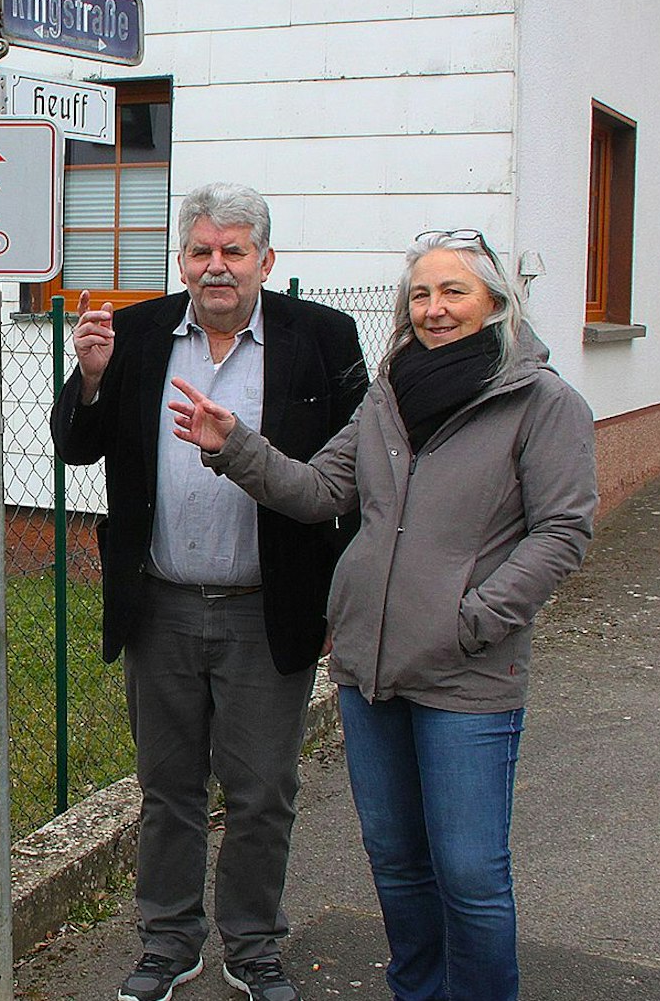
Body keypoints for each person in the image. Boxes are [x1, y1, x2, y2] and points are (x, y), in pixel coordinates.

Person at [169, 230, 597, 1001]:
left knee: (469, 872)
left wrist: (476, 617)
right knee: (396, 859)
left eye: (454, 292)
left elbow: (564, 531)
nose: (434, 310)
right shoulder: (389, 396)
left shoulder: (543, 403)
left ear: (496, 303)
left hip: (468, 673)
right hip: (370, 669)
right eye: (421, 295)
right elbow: (316, 490)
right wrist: (234, 446)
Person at [52, 183, 369, 1001]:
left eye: (234, 250)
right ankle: (168, 939)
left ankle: (254, 944)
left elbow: (357, 476)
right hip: (160, 602)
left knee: (263, 791)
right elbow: (76, 448)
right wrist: (90, 379)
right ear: (182, 261)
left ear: (267, 260)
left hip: (270, 608)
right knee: (168, 787)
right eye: (201, 251)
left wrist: (343, 585)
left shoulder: (322, 338)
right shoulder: (141, 332)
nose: (216, 266)